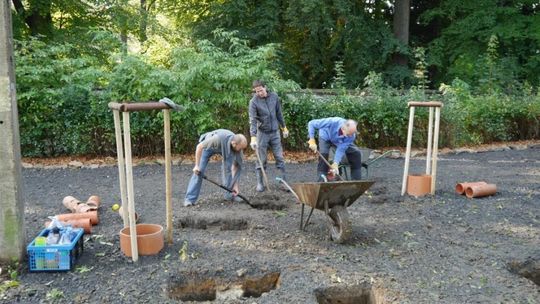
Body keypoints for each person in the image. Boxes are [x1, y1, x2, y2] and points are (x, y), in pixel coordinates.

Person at [184, 129, 247, 206]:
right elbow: (199, 147)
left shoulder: (237, 147)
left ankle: (230, 195)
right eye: (240, 148)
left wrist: (235, 186)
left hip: (227, 148)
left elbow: (235, 168)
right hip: (209, 148)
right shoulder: (217, 138)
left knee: (229, 169)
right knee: (199, 171)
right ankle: (189, 199)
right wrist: (196, 165)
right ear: (234, 143)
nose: (241, 150)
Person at [248, 80, 289, 192]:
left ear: (265, 88)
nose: (259, 93)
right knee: (262, 159)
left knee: (279, 157)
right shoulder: (254, 102)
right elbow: (252, 120)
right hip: (262, 134)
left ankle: (283, 182)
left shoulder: (274, 96)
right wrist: (253, 137)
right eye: (257, 91)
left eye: (261, 90)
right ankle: (260, 183)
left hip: (275, 132)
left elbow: (279, 113)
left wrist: (284, 127)